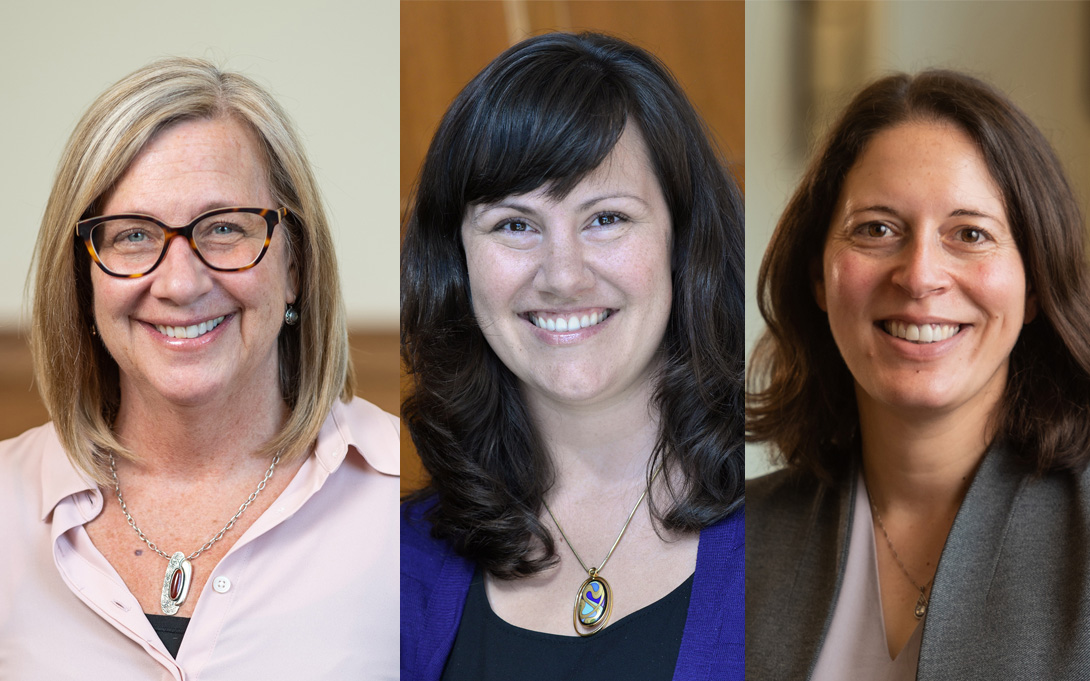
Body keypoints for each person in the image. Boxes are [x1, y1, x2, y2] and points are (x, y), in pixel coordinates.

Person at [0, 58, 399, 679]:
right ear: (84, 281)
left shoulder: (412, 491)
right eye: (132, 235)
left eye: (223, 229)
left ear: (295, 266)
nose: (181, 283)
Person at [400, 32, 745, 680]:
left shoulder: (798, 540)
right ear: (458, 262)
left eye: (606, 217)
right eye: (514, 224)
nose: (563, 274)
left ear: (682, 240)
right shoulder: (394, 560)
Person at [746, 69, 1090, 680]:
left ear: (1034, 284)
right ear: (818, 278)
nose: (920, 275)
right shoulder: (733, 543)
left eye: (970, 234)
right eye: (876, 229)